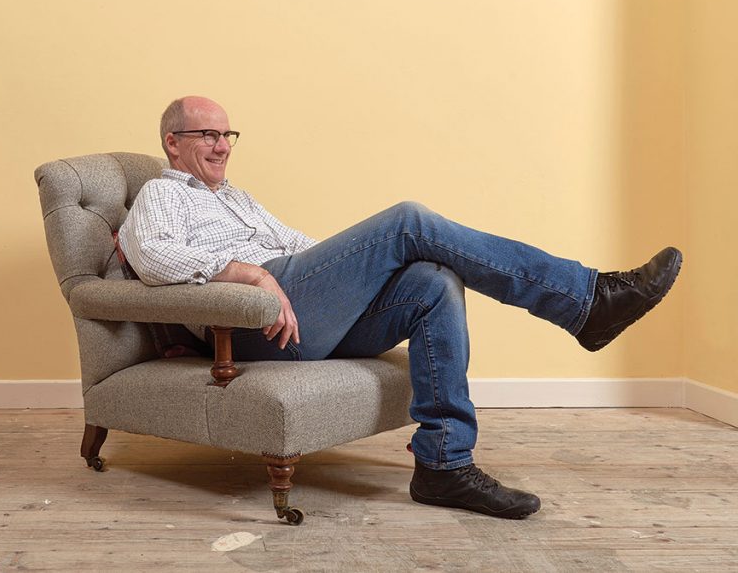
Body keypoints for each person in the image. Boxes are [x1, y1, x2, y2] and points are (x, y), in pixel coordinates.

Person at [118, 96, 682, 520]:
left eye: (228, 134)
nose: (222, 145)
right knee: (408, 220)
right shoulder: (161, 194)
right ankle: (585, 301)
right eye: (207, 134)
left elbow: (304, 250)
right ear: (172, 142)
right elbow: (151, 256)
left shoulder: (236, 199)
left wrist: (358, 268)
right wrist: (247, 272)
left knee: (432, 279)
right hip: (246, 323)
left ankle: (444, 464)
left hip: (300, 305)